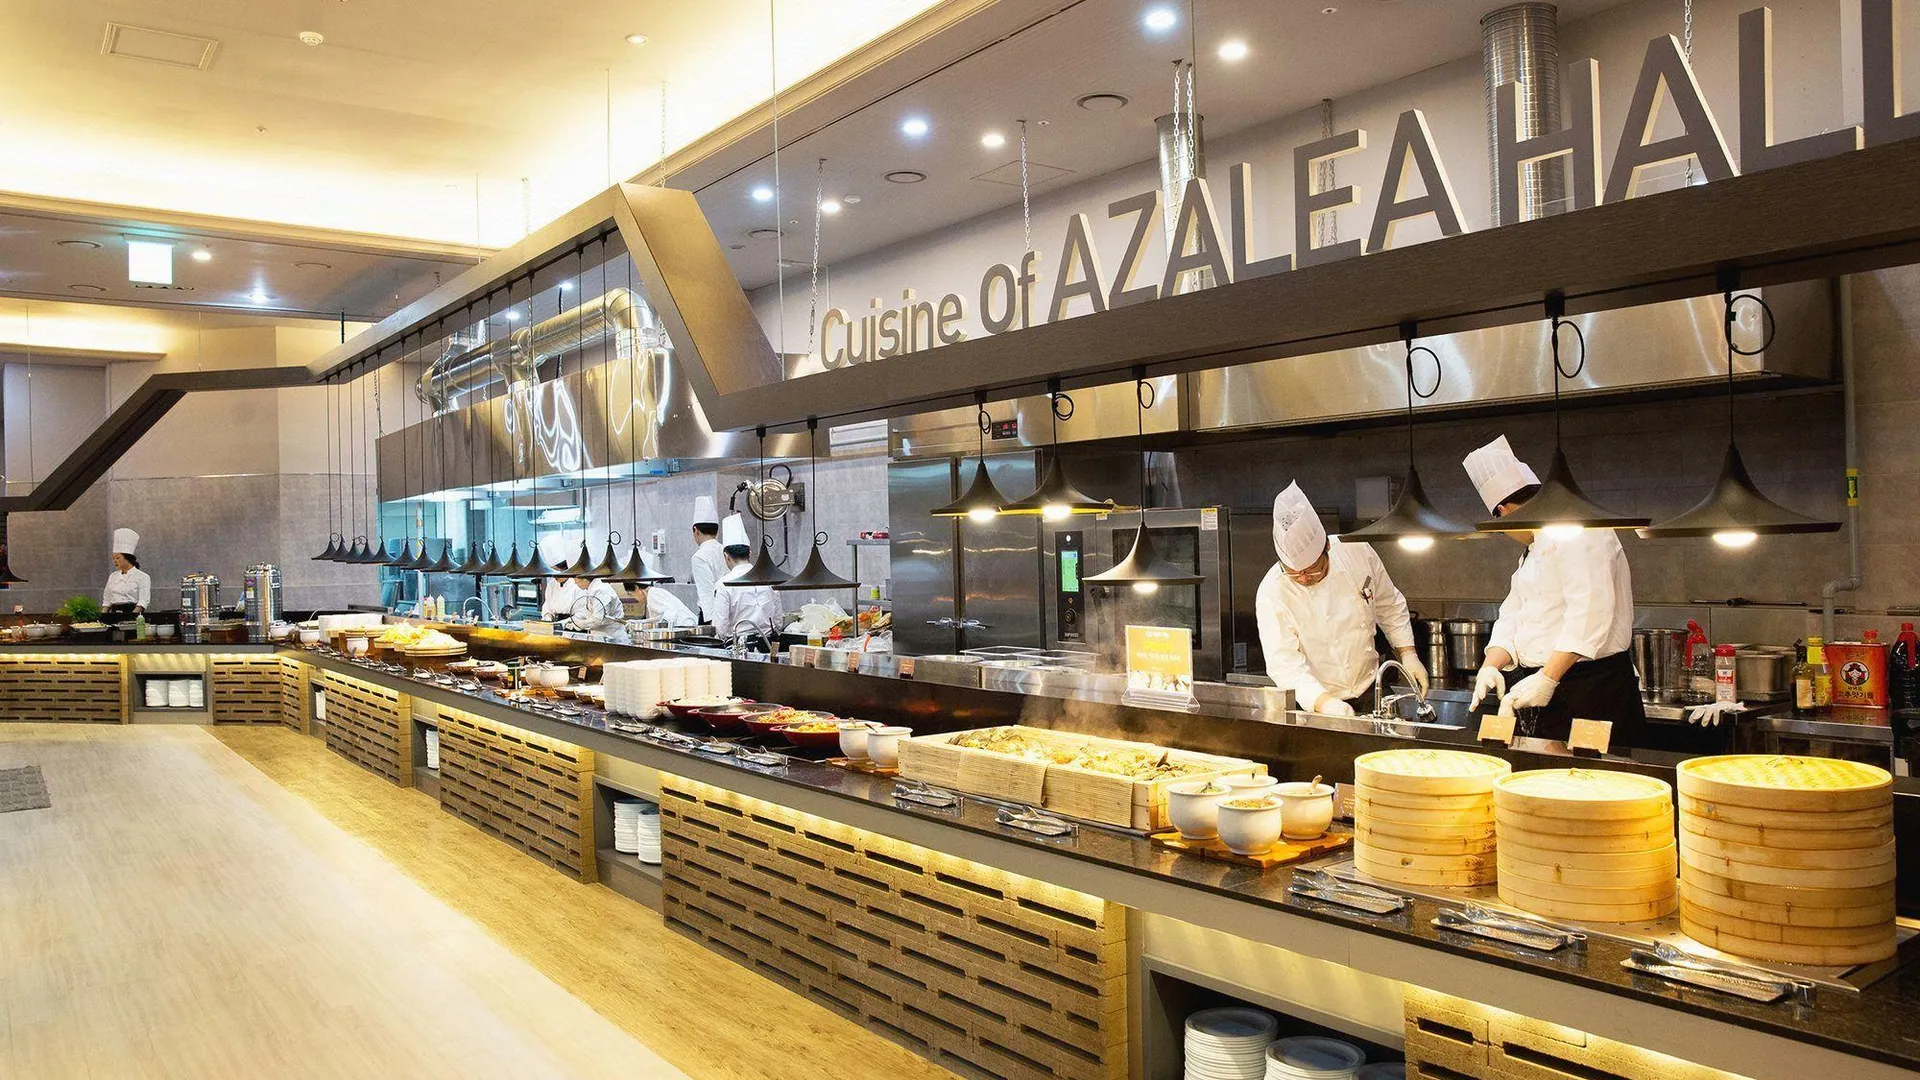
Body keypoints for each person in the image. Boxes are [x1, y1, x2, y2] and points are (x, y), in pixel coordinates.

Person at [1462, 435, 1646, 747]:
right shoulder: (1532, 551)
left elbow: (1590, 612)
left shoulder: (1580, 530)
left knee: (1596, 777)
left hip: (1592, 690)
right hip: (1546, 688)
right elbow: (1512, 616)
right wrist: (1490, 666)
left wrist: (1548, 678)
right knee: (1542, 775)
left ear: (1504, 511)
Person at [1255, 483, 1426, 717]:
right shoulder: (1272, 592)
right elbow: (1285, 665)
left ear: (1326, 547)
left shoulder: (1356, 551)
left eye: (1312, 569)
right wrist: (1326, 704)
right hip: (1316, 701)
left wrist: (1408, 655)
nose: (1303, 578)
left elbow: (1389, 605)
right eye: (1293, 573)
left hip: (1371, 689)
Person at [707, 514, 778, 640]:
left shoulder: (723, 584)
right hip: (769, 644)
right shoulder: (769, 579)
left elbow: (720, 629)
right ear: (750, 553)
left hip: (738, 646)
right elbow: (778, 622)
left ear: (726, 556)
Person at [689, 495, 725, 623]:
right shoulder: (726, 551)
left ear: (696, 530)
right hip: (727, 613)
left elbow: (706, 593)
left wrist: (711, 625)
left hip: (711, 617)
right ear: (717, 531)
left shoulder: (699, 557)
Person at [102, 528, 151, 614]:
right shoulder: (113, 576)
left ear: (127, 558)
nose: (115, 561)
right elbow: (107, 600)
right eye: (113, 558)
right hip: (114, 615)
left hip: (133, 614)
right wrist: (102, 617)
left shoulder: (142, 577)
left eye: (117, 558)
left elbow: (143, 602)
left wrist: (131, 617)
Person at [620, 581, 698, 629]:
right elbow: (658, 619)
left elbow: (669, 615)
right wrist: (636, 623)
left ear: (636, 588)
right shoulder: (652, 594)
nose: (634, 598)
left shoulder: (653, 594)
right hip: (685, 628)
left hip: (686, 627)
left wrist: (639, 624)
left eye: (631, 594)